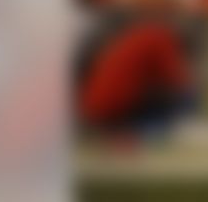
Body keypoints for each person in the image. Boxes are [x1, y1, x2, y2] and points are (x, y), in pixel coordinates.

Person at [79, 12, 195, 148]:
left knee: (168, 97)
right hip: (113, 108)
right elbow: (179, 80)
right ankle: (158, 137)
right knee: (185, 98)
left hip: (96, 104)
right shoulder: (161, 37)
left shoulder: (143, 34)